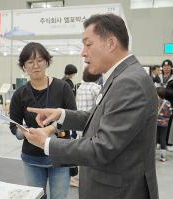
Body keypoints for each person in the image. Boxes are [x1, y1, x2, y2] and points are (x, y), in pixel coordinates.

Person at [20, 14, 159, 199]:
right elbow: (97, 119)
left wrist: (46, 143)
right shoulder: (120, 77)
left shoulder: (129, 82)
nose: (83, 52)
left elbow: (102, 147)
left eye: (88, 44)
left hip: (119, 191)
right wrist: (60, 114)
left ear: (110, 43)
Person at [9, 42, 76, 199]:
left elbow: (73, 117)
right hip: (32, 157)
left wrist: (49, 129)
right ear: (24, 66)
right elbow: (14, 124)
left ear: (47, 61)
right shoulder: (20, 94)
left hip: (60, 154)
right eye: (30, 62)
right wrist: (25, 131)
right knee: (35, 197)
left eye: (39, 60)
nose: (35, 65)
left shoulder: (63, 87)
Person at [70, 67, 101, 187]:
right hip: (92, 124)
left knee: (80, 150)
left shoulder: (80, 87)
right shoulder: (96, 88)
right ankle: (86, 179)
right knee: (90, 152)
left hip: (79, 123)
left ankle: (75, 178)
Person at [156, 87, 172, 162]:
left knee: (154, 138)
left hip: (155, 123)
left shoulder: (155, 102)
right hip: (164, 124)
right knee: (163, 138)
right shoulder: (168, 103)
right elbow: (170, 113)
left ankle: (151, 155)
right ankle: (163, 157)